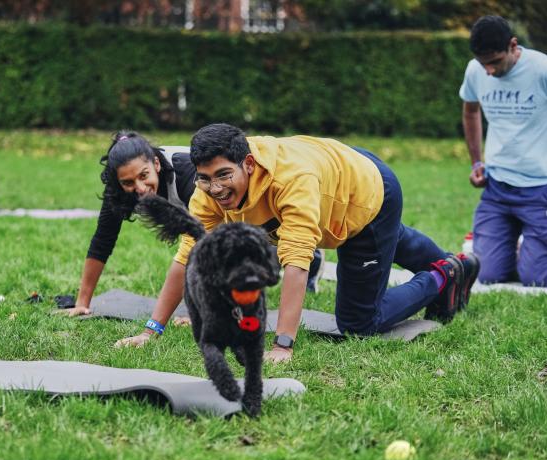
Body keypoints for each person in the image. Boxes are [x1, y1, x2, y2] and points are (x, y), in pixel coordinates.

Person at [116, 123, 480, 362]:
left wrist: (282, 344)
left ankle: (445, 274)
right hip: (335, 168)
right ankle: (455, 266)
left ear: (249, 164)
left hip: (367, 191)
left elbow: (297, 262)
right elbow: (188, 257)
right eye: (207, 178)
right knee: (390, 241)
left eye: (224, 175)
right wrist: (152, 330)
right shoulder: (207, 193)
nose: (216, 188)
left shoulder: (291, 182)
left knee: (358, 322)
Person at [460, 15, 547, 286]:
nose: (488, 71)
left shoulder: (545, 70)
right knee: (486, 275)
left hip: (543, 188)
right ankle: (521, 241)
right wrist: (477, 163)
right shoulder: (476, 70)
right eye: (483, 63)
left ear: (513, 45)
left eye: (495, 62)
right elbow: (470, 110)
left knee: (535, 279)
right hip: (498, 187)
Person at [64, 131, 196, 320]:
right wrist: (82, 303)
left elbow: (203, 242)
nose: (140, 188)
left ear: (156, 164)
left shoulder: (185, 173)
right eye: (128, 182)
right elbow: (103, 239)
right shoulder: (117, 191)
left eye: (144, 175)